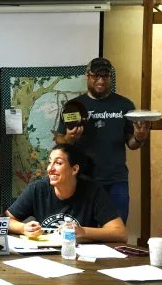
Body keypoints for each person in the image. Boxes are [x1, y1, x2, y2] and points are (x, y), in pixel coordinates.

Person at [54, 57, 150, 224]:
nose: (100, 81)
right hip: (82, 181)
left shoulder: (124, 105)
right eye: (95, 76)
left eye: (105, 76)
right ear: (87, 76)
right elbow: (58, 139)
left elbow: (132, 144)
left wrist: (140, 138)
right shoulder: (74, 106)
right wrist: (69, 138)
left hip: (116, 181)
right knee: (82, 231)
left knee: (115, 231)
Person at [7, 143, 128, 243]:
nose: (50, 169)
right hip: (44, 254)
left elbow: (120, 233)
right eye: (50, 162)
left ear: (74, 169)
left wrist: (83, 231)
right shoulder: (38, 189)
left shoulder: (93, 191)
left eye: (58, 163)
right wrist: (24, 228)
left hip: (80, 256)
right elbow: (5, 221)